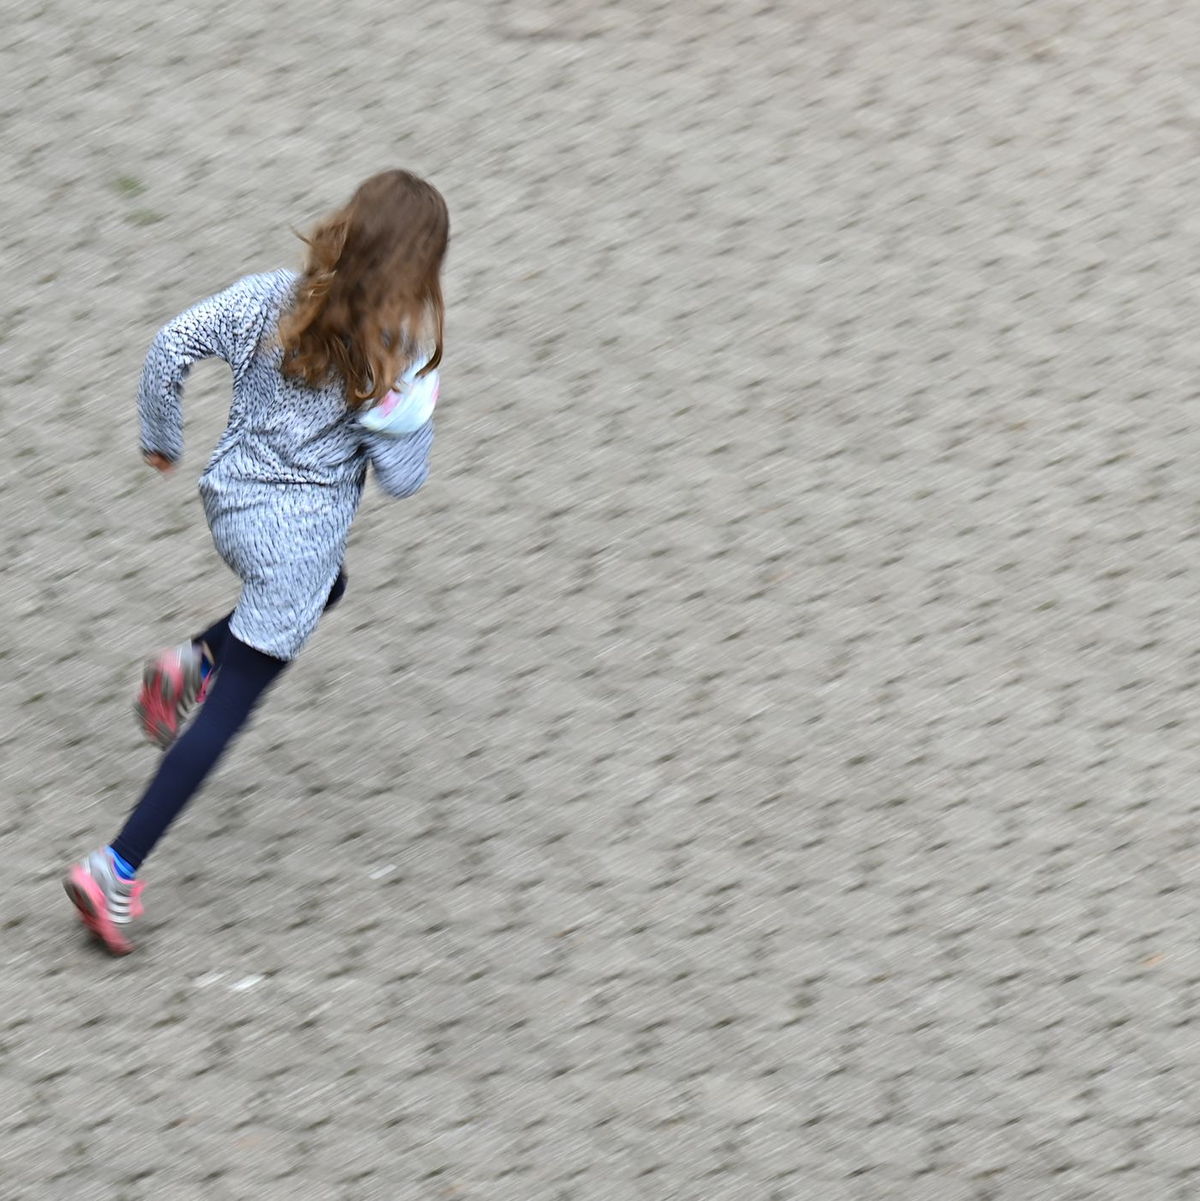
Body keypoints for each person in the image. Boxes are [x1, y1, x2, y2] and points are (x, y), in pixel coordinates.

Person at [64, 169, 449, 954]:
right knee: (228, 713)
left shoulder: (273, 295)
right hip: (293, 548)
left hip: (230, 503)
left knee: (330, 585)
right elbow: (404, 481)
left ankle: (193, 659)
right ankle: (116, 868)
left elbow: (171, 343)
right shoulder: (391, 359)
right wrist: (414, 404)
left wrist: (161, 436)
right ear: (418, 272)